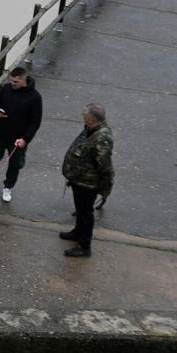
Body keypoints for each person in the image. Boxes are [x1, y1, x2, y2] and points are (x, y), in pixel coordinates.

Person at [0, 65, 42, 203]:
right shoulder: (6, 89)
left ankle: (8, 187)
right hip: (0, 133)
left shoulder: (35, 97)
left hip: (18, 138)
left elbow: (35, 122)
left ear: (24, 80)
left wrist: (25, 139)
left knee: (15, 164)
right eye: (11, 81)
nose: (12, 84)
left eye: (15, 82)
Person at [60, 103, 114, 258]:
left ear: (91, 119)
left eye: (85, 116)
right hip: (80, 179)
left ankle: (84, 246)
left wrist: (104, 184)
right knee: (80, 210)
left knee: (85, 213)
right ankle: (77, 232)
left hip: (88, 183)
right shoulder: (91, 129)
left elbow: (104, 164)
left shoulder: (101, 136)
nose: (83, 118)